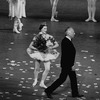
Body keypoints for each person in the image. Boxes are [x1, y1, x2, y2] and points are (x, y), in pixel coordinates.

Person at [44, 27, 83, 99]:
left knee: (72, 78)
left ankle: (75, 93)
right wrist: (71, 65)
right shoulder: (65, 41)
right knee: (62, 79)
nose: (74, 33)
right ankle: (48, 90)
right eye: (73, 32)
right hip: (67, 65)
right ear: (68, 33)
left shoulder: (68, 41)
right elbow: (67, 55)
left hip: (67, 64)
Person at [27, 23, 59, 89]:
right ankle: (35, 80)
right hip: (39, 53)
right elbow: (30, 46)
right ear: (41, 29)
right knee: (37, 68)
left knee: (47, 69)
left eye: (46, 28)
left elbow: (57, 44)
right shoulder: (37, 37)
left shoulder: (49, 36)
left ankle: (42, 82)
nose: (45, 29)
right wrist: (38, 48)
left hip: (47, 53)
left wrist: (51, 47)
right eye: (44, 28)